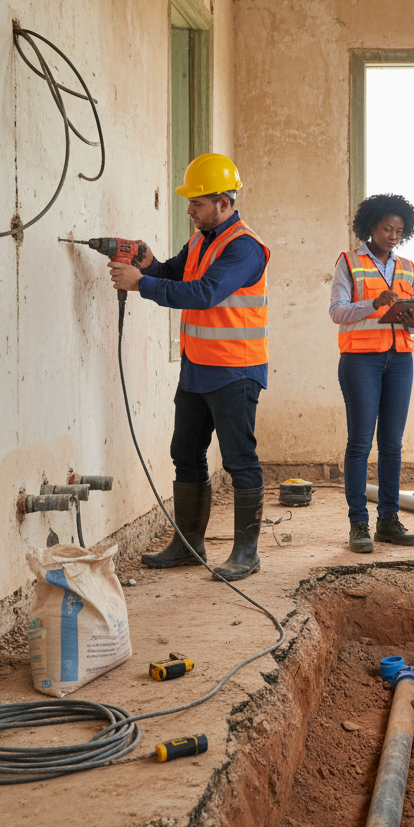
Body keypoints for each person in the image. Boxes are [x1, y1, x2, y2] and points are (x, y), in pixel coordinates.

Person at [108, 152, 269, 582]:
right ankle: (188, 543)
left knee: (239, 460)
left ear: (224, 202)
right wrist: (146, 263)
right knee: (185, 453)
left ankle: (246, 554)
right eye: (190, 202)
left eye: (197, 203)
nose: (189, 210)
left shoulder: (245, 248)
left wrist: (140, 284)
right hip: (198, 369)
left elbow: (204, 293)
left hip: (236, 371)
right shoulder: (201, 238)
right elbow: (173, 274)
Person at [330, 194, 414, 554]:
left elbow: (412, 321)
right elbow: (337, 312)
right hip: (360, 361)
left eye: (399, 231)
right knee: (360, 443)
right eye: (387, 229)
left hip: (399, 360)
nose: (393, 236)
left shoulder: (408, 267)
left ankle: (388, 521)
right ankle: (358, 524)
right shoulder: (349, 263)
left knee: (392, 445)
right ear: (370, 226)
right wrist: (374, 304)